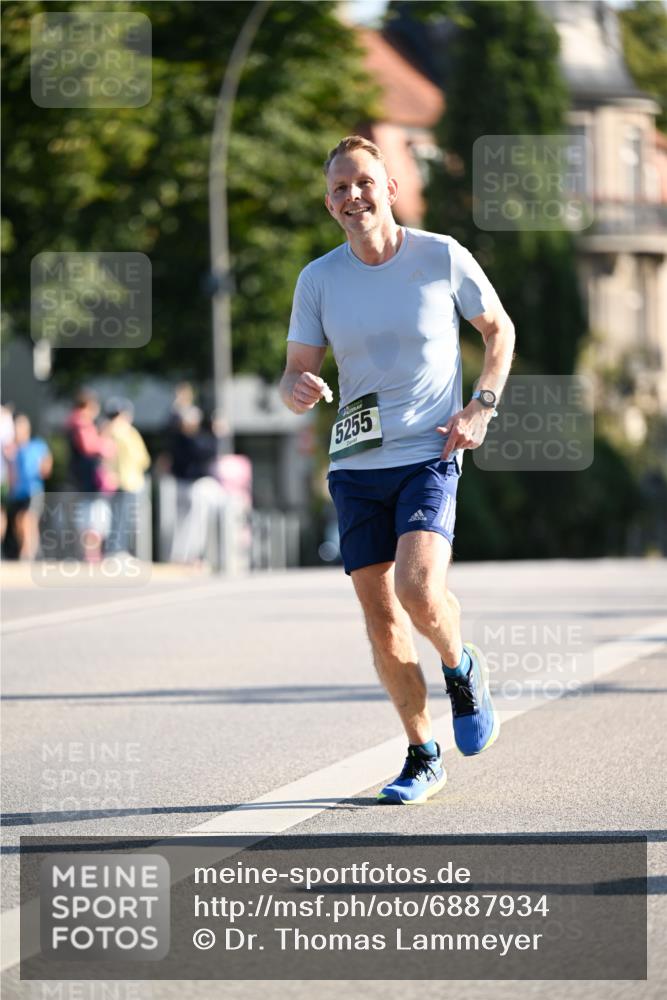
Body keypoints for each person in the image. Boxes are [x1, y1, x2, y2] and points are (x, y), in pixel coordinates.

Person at [280, 136, 515, 804]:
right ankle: (420, 754)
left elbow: (497, 331)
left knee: (417, 590)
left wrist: (481, 406)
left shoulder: (439, 256)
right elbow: (296, 369)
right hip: (356, 466)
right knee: (381, 620)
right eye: (338, 189)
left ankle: (458, 663)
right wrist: (297, 388)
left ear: (388, 186)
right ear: (329, 202)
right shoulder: (318, 279)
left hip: (429, 452)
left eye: (362, 183)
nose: (352, 197)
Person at [103, 398, 151, 557]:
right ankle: (115, 551)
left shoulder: (112, 430)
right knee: (121, 518)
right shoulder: (125, 431)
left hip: (126, 481)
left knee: (122, 518)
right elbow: (143, 459)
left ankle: (118, 550)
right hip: (126, 481)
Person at [6, 414, 52, 560]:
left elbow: (46, 462)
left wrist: (44, 468)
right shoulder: (14, 449)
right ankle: (34, 549)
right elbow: (11, 470)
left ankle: (27, 553)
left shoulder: (37, 445)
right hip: (18, 492)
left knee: (28, 519)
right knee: (20, 523)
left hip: (33, 489)